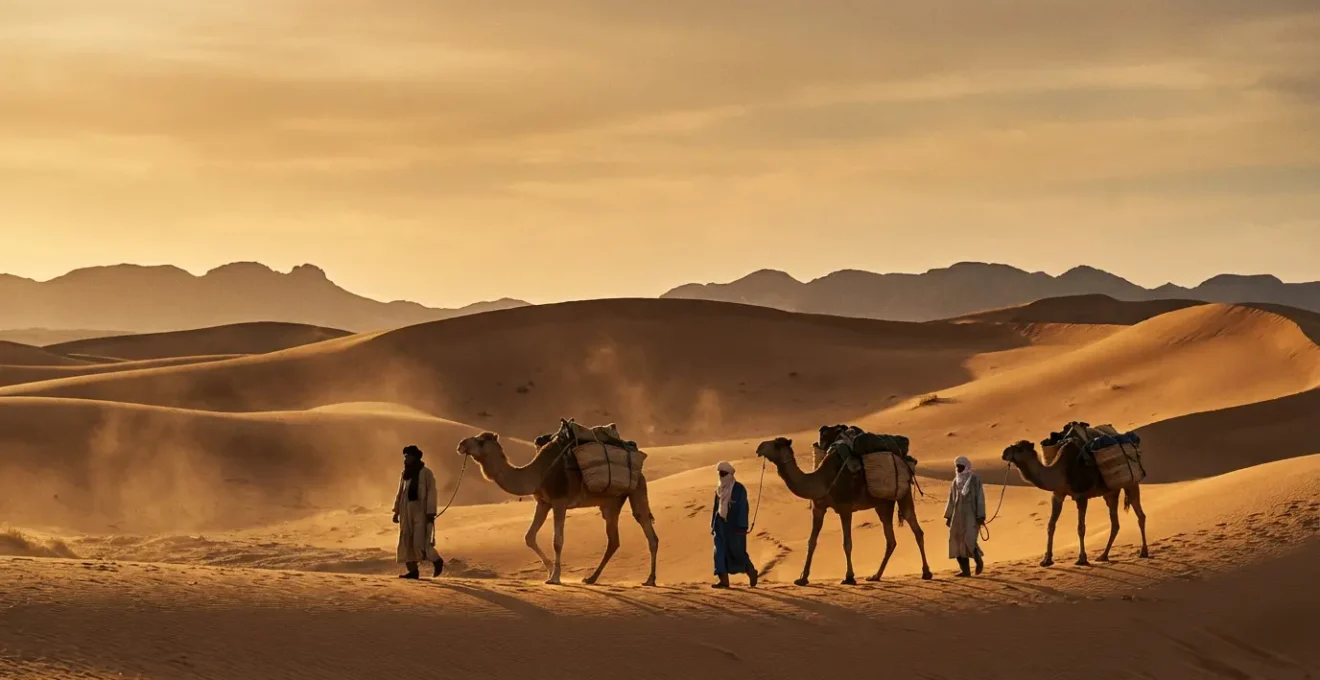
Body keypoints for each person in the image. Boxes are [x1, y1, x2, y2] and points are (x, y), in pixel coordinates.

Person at [392, 445, 444, 579]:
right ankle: (413, 572)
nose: (406, 458)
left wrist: (430, 513)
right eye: (406, 456)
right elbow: (400, 493)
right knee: (406, 541)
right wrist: (396, 511)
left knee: (420, 542)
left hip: (420, 512)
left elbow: (432, 493)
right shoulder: (404, 474)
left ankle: (437, 561)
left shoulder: (426, 473)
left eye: (409, 456)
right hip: (405, 511)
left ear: (415, 457)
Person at [711, 461, 759, 588]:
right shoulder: (719, 490)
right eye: (720, 473)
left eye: (724, 473)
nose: (721, 476)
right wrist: (713, 525)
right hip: (720, 525)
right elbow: (716, 507)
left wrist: (742, 526)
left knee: (737, 553)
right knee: (719, 552)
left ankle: (751, 571)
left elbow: (743, 507)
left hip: (735, 527)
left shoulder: (739, 489)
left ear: (730, 474)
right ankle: (723, 580)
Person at [944, 455, 986, 577]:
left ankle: (978, 561)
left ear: (966, 466)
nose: (958, 468)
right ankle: (965, 571)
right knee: (956, 542)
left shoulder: (974, 480)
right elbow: (951, 499)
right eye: (957, 466)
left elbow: (980, 498)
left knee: (969, 539)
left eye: (960, 466)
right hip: (957, 515)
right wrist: (949, 516)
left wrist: (980, 515)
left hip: (971, 515)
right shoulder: (955, 481)